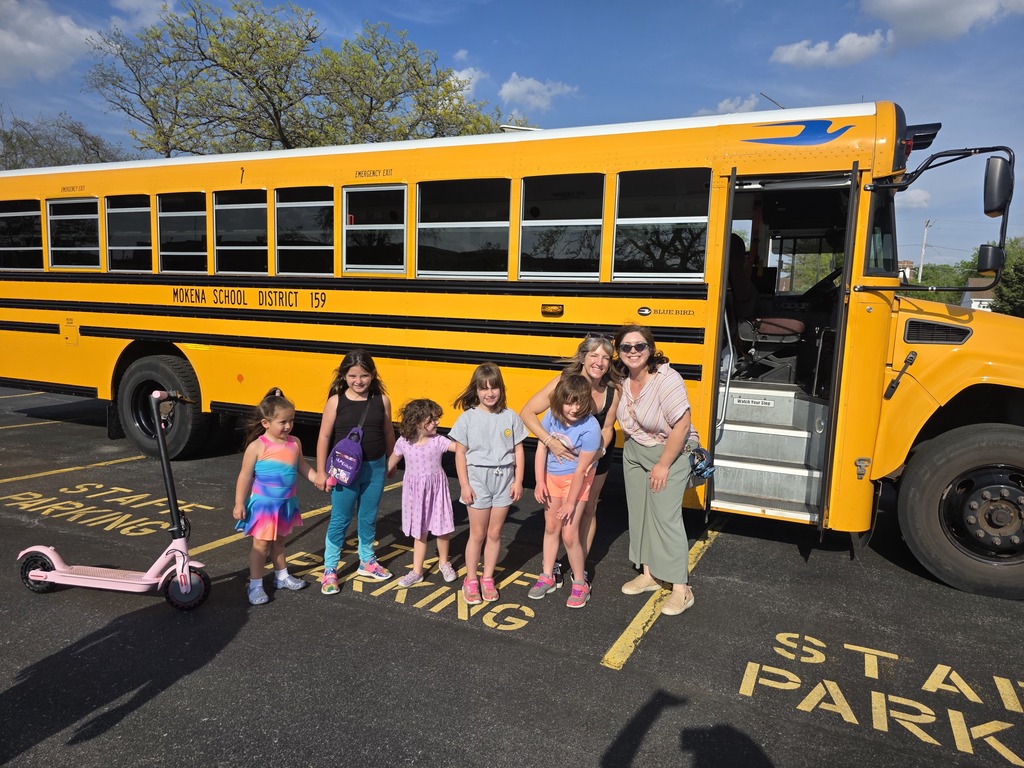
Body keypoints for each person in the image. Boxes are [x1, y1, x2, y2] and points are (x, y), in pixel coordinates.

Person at [613, 324, 699, 616]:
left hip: (670, 452)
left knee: (665, 517)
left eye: (639, 346)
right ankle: (649, 574)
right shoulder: (621, 379)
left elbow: (683, 425)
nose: (633, 351)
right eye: (626, 347)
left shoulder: (667, 379)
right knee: (640, 514)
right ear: (619, 351)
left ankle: (680, 588)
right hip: (635, 451)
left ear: (650, 349)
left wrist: (663, 465)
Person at [520, 333, 620, 577]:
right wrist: (548, 441)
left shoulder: (612, 390)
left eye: (606, 357)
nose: (600, 362)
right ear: (583, 357)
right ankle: (552, 564)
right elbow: (527, 412)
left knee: (588, 509)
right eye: (594, 355)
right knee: (555, 521)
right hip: (561, 460)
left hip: (596, 456)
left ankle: (580, 565)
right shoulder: (564, 382)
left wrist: (598, 453)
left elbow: (607, 428)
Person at [315, 350, 397, 595]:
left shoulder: (381, 400)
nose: (358, 381)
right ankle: (330, 569)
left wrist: (391, 460)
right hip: (343, 471)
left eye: (364, 375)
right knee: (340, 518)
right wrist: (321, 471)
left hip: (376, 466)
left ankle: (367, 561)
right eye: (352, 376)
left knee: (368, 516)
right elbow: (324, 436)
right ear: (343, 376)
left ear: (372, 375)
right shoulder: (336, 401)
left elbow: (389, 432)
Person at [449, 362, 527, 605]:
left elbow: (518, 450)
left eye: (494, 388)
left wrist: (518, 480)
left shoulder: (510, 417)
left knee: (495, 533)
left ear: (501, 389)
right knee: (478, 533)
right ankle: (471, 579)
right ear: (476, 390)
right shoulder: (468, 418)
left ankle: (488, 578)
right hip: (478, 479)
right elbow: (460, 454)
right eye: (484, 388)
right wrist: (464, 485)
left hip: (504, 479)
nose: (489, 393)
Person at [233, 387, 316, 605]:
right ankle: (256, 584)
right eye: (283, 422)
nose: (288, 426)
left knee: (279, 543)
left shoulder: (294, 442)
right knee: (260, 546)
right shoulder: (258, 446)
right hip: (264, 505)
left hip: (285, 503)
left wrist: (317, 478)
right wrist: (239, 503)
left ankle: (281, 576)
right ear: (265, 423)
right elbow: (245, 475)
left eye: (291, 421)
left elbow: (302, 466)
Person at [530, 375, 602, 608]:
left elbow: (582, 470)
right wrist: (539, 482)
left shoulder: (590, 427)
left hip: (577, 482)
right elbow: (542, 448)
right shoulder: (552, 415)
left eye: (579, 403)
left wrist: (571, 503)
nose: (573, 408)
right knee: (551, 527)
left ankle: (580, 582)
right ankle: (547, 575)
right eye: (568, 402)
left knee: (570, 535)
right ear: (559, 400)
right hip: (552, 478)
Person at [387, 398, 459, 587]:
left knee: (442, 528)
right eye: (432, 419)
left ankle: (444, 562)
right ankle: (417, 570)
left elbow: (459, 448)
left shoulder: (438, 441)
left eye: (436, 418)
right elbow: (391, 461)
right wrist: (377, 478)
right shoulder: (404, 442)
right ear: (418, 421)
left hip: (436, 491)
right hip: (415, 494)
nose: (437, 422)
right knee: (420, 532)